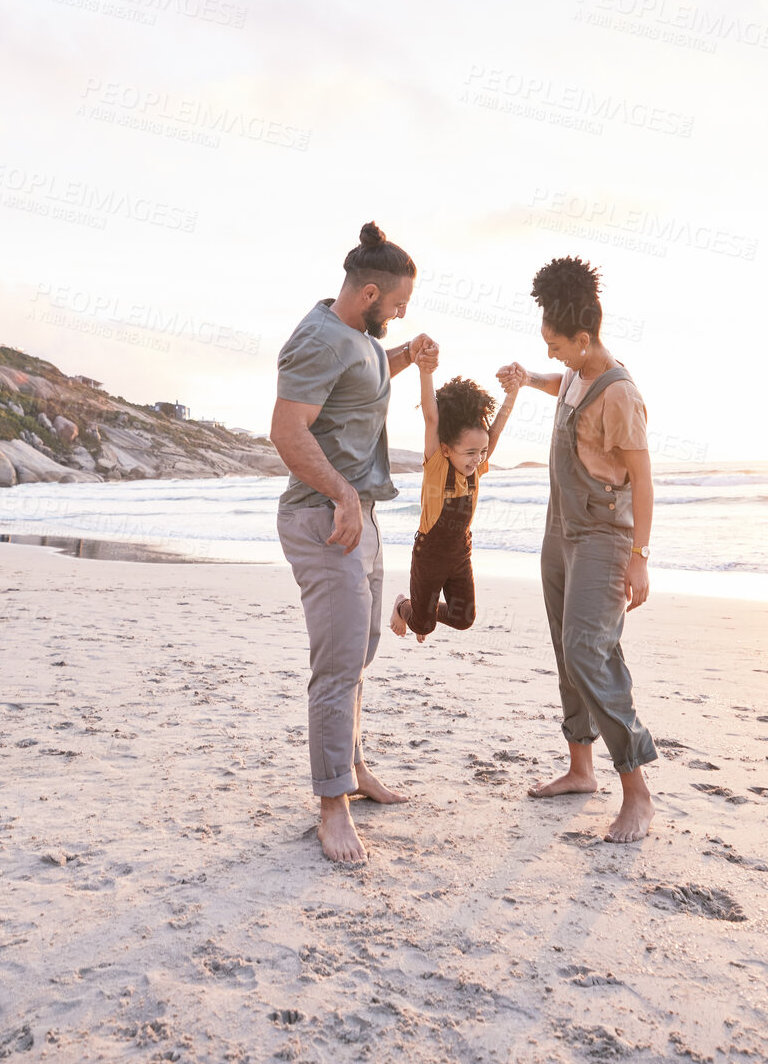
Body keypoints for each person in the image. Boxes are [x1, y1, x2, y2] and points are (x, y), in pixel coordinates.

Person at [270, 221, 438, 865]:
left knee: (360, 651)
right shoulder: (316, 339)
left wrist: (405, 356)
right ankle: (332, 805)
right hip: (324, 517)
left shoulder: (357, 339)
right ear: (369, 293)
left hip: (359, 516)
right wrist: (342, 495)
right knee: (338, 665)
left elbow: (360, 381)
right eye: (399, 305)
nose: (401, 313)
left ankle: (355, 769)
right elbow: (288, 431)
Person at [498, 255, 658, 843]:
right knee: (565, 652)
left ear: (584, 338)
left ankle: (637, 792)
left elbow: (642, 479)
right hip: (558, 529)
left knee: (588, 649)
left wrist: (640, 557)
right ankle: (580, 769)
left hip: (602, 536)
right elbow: (560, 386)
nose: (549, 354)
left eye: (555, 344)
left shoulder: (621, 396)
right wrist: (527, 379)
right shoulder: (575, 372)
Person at [389, 368, 519, 642]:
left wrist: (513, 391)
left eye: (482, 452)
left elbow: (496, 428)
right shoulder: (437, 466)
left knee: (464, 619)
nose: (478, 459)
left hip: (460, 554)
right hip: (430, 557)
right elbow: (430, 416)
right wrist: (425, 371)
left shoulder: (477, 468)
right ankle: (403, 605)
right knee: (422, 627)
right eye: (470, 453)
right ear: (446, 449)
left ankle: (421, 611)